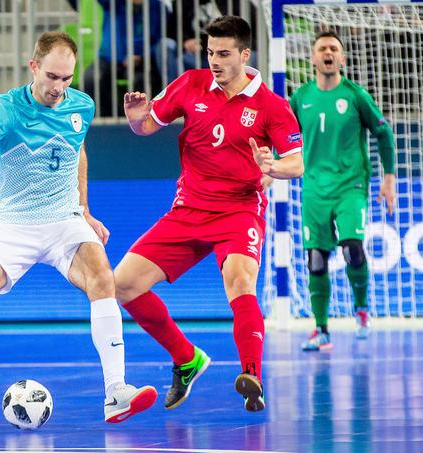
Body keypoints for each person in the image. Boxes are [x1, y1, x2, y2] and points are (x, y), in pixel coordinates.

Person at [0, 31, 157, 431]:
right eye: (52, 77)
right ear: (34, 67)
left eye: (66, 78)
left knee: (103, 276)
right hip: (12, 223)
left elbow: (77, 151)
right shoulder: (6, 109)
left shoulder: (81, 105)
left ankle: (116, 392)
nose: (59, 87)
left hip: (64, 220)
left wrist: (83, 210)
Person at [114, 15, 304, 413]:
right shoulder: (191, 83)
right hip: (188, 209)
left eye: (223, 53)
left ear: (245, 54)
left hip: (238, 210)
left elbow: (296, 163)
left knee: (239, 282)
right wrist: (135, 119)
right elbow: (148, 126)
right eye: (210, 52)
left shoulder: (271, 105)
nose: (214, 61)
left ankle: (252, 376)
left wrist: (271, 168)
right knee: (122, 285)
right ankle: (187, 359)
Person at [288, 30, 396, 351]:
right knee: (316, 261)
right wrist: (271, 166)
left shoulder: (355, 95)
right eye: (322, 48)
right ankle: (321, 330)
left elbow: (384, 134)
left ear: (342, 58)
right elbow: (281, 134)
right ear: (313, 58)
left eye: (334, 48)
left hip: (351, 186)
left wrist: (388, 178)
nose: (328, 53)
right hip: (314, 190)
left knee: (352, 248)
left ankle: (361, 310)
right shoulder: (300, 98)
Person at [83, 0, 162, 117]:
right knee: (92, 78)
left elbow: (159, 38)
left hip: (143, 61)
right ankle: (107, 120)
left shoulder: (156, 6)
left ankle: (141, 119)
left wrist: (141, 56)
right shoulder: (114, 3)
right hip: (109, 58)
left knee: (142, 81)